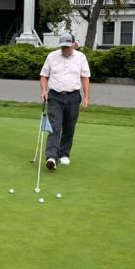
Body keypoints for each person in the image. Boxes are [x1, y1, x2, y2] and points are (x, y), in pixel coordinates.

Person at [39, 31, 91, 171]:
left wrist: (86, 96)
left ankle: (64, 153)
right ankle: (51, 157)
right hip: (55, 96)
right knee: (55, 126)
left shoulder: (81, 57)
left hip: (73, 97)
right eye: (63, 47)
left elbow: (85, 77)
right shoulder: (52, 56)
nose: (65, 50)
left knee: (69, 126)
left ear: (74, 45)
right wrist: (44, 90)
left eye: (68, 47)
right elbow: (44, 76)